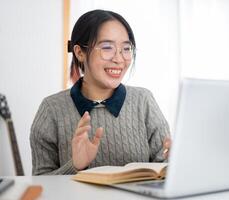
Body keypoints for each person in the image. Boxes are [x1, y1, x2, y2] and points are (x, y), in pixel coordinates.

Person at [30, 9, 171, 175]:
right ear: (80, 52)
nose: (119, 59)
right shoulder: (51, 110)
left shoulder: (144, 101)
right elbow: (41, 186)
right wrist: (75, 166)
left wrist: (175, 164)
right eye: (107, 47)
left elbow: (165, 171)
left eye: (126, 48)